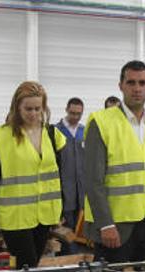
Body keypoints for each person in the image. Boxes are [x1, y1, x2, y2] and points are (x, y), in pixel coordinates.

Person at [83, 60, 145, 264]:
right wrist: (105, 224)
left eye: (143, 83)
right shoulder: (101, 122)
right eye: (131, 82)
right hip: (115, 228)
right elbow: (93, 180)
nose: (137, 89)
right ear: (121, 86)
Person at [0, 82, 65, 268]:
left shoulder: (53, 134)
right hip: (15, 217)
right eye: (28, 109)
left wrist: (61, 211)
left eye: (37, 108)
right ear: (17, 107)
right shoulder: (4, 137)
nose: (33, 114)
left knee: (32, 266)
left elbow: (59, 176)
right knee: (26, 265)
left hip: (44, 214)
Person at [55, 98, 86, 252]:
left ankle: (78, 256)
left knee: (80, 224)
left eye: (79, 114)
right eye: (72, 113)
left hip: (81, 190)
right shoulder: (55, 131)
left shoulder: (84, 131)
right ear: (66, 110)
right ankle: (68, 258)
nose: (75, 117)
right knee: (65, 225)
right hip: (62, 188)